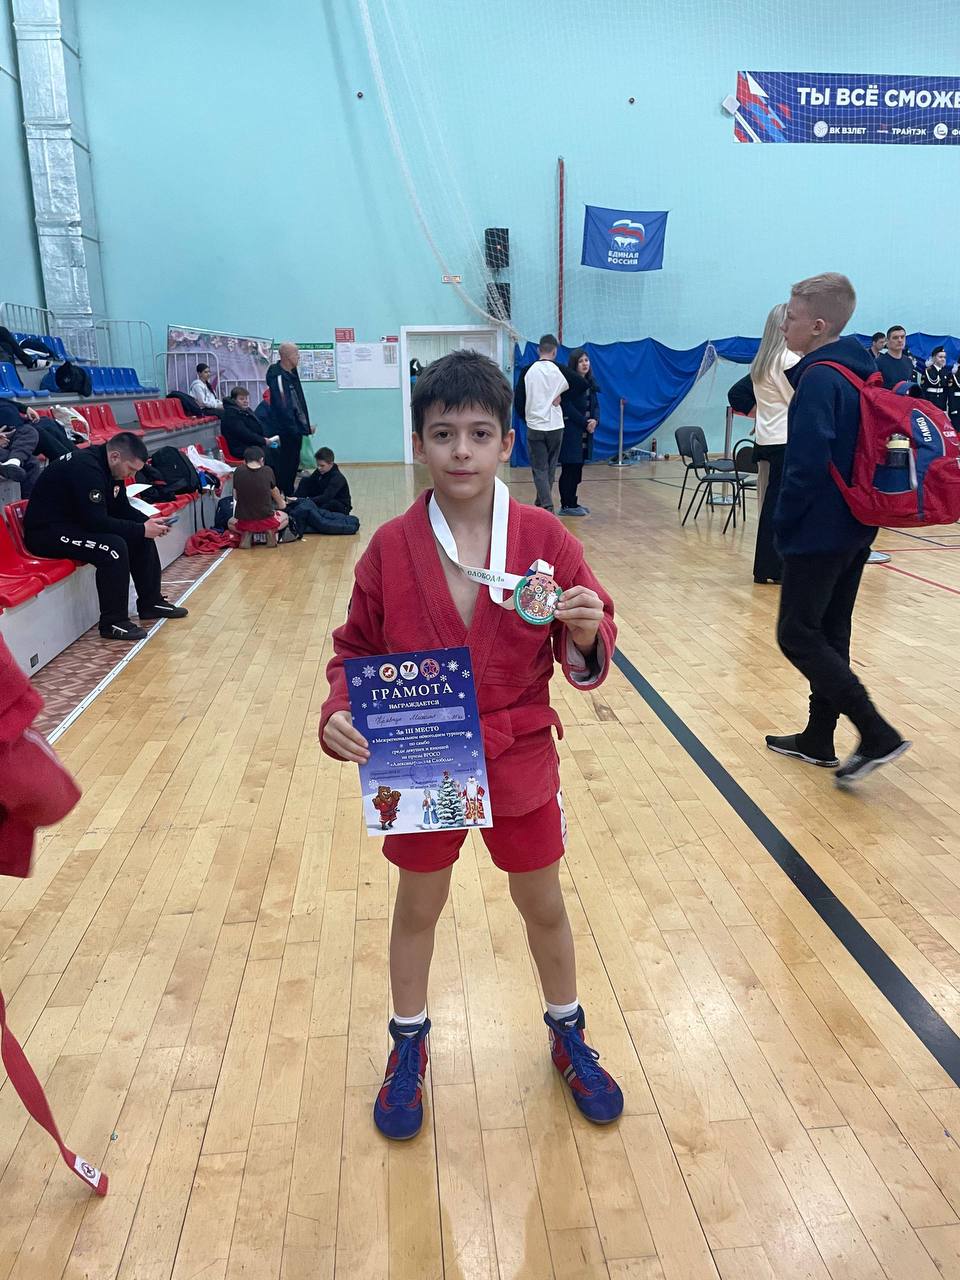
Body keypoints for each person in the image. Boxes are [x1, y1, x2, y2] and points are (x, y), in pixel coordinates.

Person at [320, 348, 624, 1141]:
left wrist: (584, 632)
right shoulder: (391, 546)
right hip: (421, 753)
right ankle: (408, 1043)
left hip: (517, 750)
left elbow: (590, 633)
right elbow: (354, 648)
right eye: (444, 433)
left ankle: (568, 1031)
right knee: (418, 905)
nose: (462, 451)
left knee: (542, 903)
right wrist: (338, 710)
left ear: (507, 443)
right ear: (419, 442)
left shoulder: (542, 536)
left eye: (480, 434)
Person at [768, 273, 909, 784]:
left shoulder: (820, 379)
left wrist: (784, 525)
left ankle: (876, 732)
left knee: (796, 634)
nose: (784, 323)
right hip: (854, 526)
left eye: (792, 316)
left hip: (819, 530)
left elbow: (806, 467)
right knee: (830, 631)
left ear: (818, 325)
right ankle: (818, 737)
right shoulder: (856, 374)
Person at [23, 432, 188, 642]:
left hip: (74, 525)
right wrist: (141, 529)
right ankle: (113, 622)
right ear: (115, 456)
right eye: (131, 469)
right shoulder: (86, 468)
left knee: (141, 535)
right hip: (47, 533)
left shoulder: (111, 469)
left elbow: (121, 509)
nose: (131, 475)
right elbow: (96, 521)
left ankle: (151, 603)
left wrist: (150, 523)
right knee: (113, 547)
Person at [750, 303, 799, 585]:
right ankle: (776, 566)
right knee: (781, 506)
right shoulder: (786, 359)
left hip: (766, 438)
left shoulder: (762, 360)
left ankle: (764, 567)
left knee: (769, 504)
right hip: (785, 440)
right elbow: (797, 399)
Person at [522, 334, 568, 513]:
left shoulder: (530, 371)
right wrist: (560, 395)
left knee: (539, 468)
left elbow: (522, 398)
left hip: (535, 425)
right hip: (555, 425)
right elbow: (579, 383)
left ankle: (546, 506)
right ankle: (541, 502)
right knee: (550, 467)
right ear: (555, 351)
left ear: (538, 350)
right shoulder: (558, 371)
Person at [266, 342, 311, 497]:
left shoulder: (291, 373)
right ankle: (284, 496)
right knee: (286, 464)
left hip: (295, 429)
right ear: (287, 356)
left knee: (293, 463)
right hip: (286, 431)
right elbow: (284, 406)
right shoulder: (278, 377)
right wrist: (294, 429)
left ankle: (289, 493)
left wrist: (304, 426)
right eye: (296, 354)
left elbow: (298, 403)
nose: (299, 357)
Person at [558, 348, 598, 517]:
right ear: (574, 364)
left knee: (577, 469)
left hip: (585, 432)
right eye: (581, 361)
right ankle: (566, 504)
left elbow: (595, 406)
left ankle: (573, 502)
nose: (584, 364)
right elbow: (567, 406)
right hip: (572, 431)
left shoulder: (591, 383)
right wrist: (584, 423)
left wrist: (595, 420)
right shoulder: (569, 383)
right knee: (569, 468)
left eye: (586, 360)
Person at [229, 444, 289, 537]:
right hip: (267, 522)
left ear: (244, 461)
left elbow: (236, 496)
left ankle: (250, 534)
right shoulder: (268, 471)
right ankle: (268, 532)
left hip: (245, 522)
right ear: (261, 460)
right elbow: (278, 499)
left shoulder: (238, 471)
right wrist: (282, 504)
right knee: (285, 518)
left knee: (230, 522)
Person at [221, 386, 278, 458]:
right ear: (234, 400)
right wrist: (263, 441)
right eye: (241, 399)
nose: (245, 401)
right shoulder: (231, 415)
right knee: (270, 453)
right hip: (241, 448)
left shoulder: (245, 410)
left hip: (252, 444)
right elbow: (244, 433)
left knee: (276, 448)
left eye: (246, 398)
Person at [0, 401, 41, 495]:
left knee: (29, 430)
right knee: (31, 462)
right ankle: (11, 463)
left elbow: (4, 400)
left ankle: (14, 461)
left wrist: (25, 408)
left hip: (7, 436)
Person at [294, 446, 352, 512]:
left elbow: (326, 497)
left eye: (322, 465)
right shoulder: (320, 471)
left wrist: (305, 500)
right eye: (318, 465)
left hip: (340, 506)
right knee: (305, 481)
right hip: (325, 498)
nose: (319, 468)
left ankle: (307, 508)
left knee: (330, 504)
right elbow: (311, 482)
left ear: (331, 464)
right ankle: (294, 503)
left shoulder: (337, 478)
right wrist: (297, 498)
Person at [877, 325, 916, 391]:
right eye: (895, 338)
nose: (900, 340)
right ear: (887, 341)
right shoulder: (879, 363)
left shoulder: (908, 361)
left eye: (902, 337)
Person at [917, 346, 950, 414]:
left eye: (944, 357)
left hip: (942, 403)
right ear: (934, 358)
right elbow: (923, 390)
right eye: (940, 357)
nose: (943, 359)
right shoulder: (928, 371)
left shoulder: (946, 372)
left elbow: (946, 390)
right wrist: (924, 406)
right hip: (930, 401)